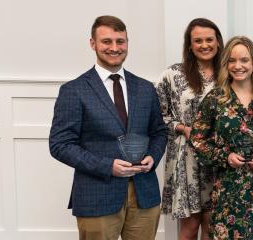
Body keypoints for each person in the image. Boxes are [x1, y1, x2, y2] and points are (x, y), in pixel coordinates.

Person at [48, 15, 167, 240]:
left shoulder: (145, 88)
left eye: (120, 41)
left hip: (144, 194)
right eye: (107, 41)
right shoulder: (74, 90)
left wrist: (153, 155)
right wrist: (107, 166)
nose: (114, 48)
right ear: (93, 43)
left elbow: (159, 132)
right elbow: (60, 145)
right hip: (97, 195)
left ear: (127, 43)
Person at [190, 36, 253, 240]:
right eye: (232, 61)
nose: (238, 66)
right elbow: (197, 140)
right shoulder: (215, 99)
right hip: (231, 189)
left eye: (244, 60)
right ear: (226, 64)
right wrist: (224, 156)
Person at [156, 18, 222, 240]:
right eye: (198, 40)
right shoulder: (173, 75)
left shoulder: (228, 74)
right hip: (187, 158)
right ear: (190, 45)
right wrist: (183, 128)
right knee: (191, 226)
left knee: (213, 226)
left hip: (220, 158)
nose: (204, 45)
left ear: (218, 42)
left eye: (209, 39)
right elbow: (157, 117)